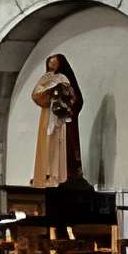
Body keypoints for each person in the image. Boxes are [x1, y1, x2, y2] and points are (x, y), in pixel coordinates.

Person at [28, 54, 85, 188]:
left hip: (63, 119)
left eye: (54, 63)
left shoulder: (65, 78)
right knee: (48, 144)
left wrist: (65, 102)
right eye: (50, 63)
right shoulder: (45, 79)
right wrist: (50, 93)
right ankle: (47, 174)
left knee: (65, 145)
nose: (51, 65)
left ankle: (65, 174)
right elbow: (36, 95)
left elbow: (76, 99)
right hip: (48, 116)